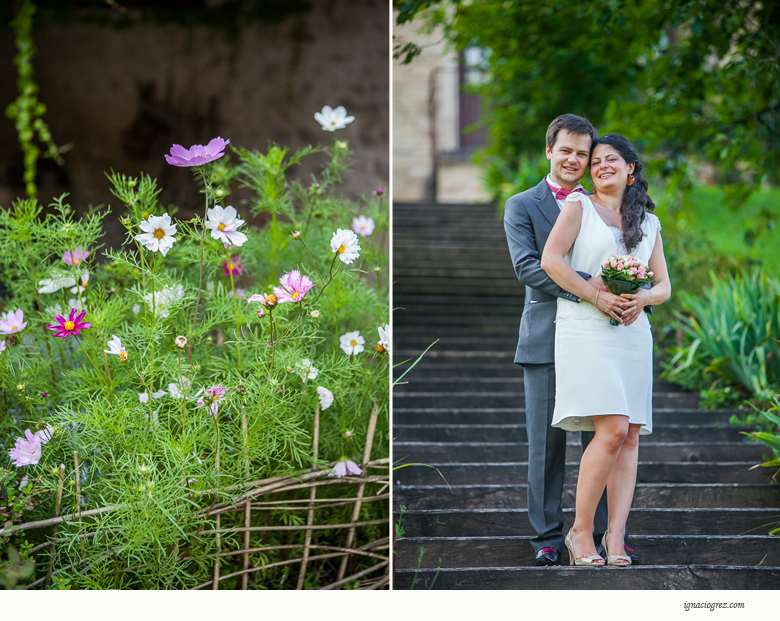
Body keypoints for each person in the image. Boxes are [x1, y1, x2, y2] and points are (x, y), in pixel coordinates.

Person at [540, 133, 671, 565]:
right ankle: (580, 533)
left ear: (631, 169)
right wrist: (596, 296)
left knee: (630, 436)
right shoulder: (578, 207)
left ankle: (615, 539)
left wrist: (643, 299)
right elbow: (551, 261)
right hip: (585, 329)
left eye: (611, 160)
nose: (600, 166)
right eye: (595, 162)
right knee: (612, 428)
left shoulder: (648, 223)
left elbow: (663, 286)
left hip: (633, 333)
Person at [504, 114, 616, 566]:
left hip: (597, 337)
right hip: (545, 336)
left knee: (601, 439)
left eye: (582, 153)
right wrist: (588, 286)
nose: (573, 159)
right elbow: (528, 267)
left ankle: (601, 533)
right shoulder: (521, 205)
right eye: (565, 150)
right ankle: (547, 537)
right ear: (549, 151)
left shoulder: (603, 204)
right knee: (545, 445)